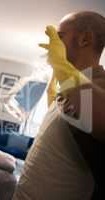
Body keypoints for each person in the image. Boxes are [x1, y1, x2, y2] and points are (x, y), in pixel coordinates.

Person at [13, 11, 105, 200]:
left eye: (60, 36)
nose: (53, 42)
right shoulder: (68, 86)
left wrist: (61, 66)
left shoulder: (99, 84)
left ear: (85, 39)